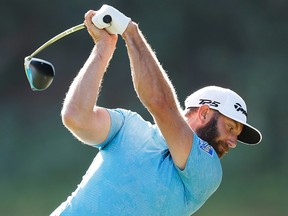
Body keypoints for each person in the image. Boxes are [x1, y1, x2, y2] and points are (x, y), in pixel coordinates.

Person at [50, 4, 262, 216]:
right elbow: (76, 117)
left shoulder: (208, 170)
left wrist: (130, 32)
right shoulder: (127, 125)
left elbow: (159, 103)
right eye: (230, 127)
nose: (233, 142)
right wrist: (103, 47)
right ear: (205, 113)